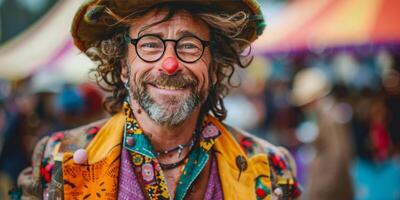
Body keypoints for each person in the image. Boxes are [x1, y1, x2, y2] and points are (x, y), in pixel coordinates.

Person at [14, 1, 301, 199]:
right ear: (123, 66)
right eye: (150, 44)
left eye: (189, 46)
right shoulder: (57, 160)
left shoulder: (271, 168)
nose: (170, 64)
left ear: (213, 69)